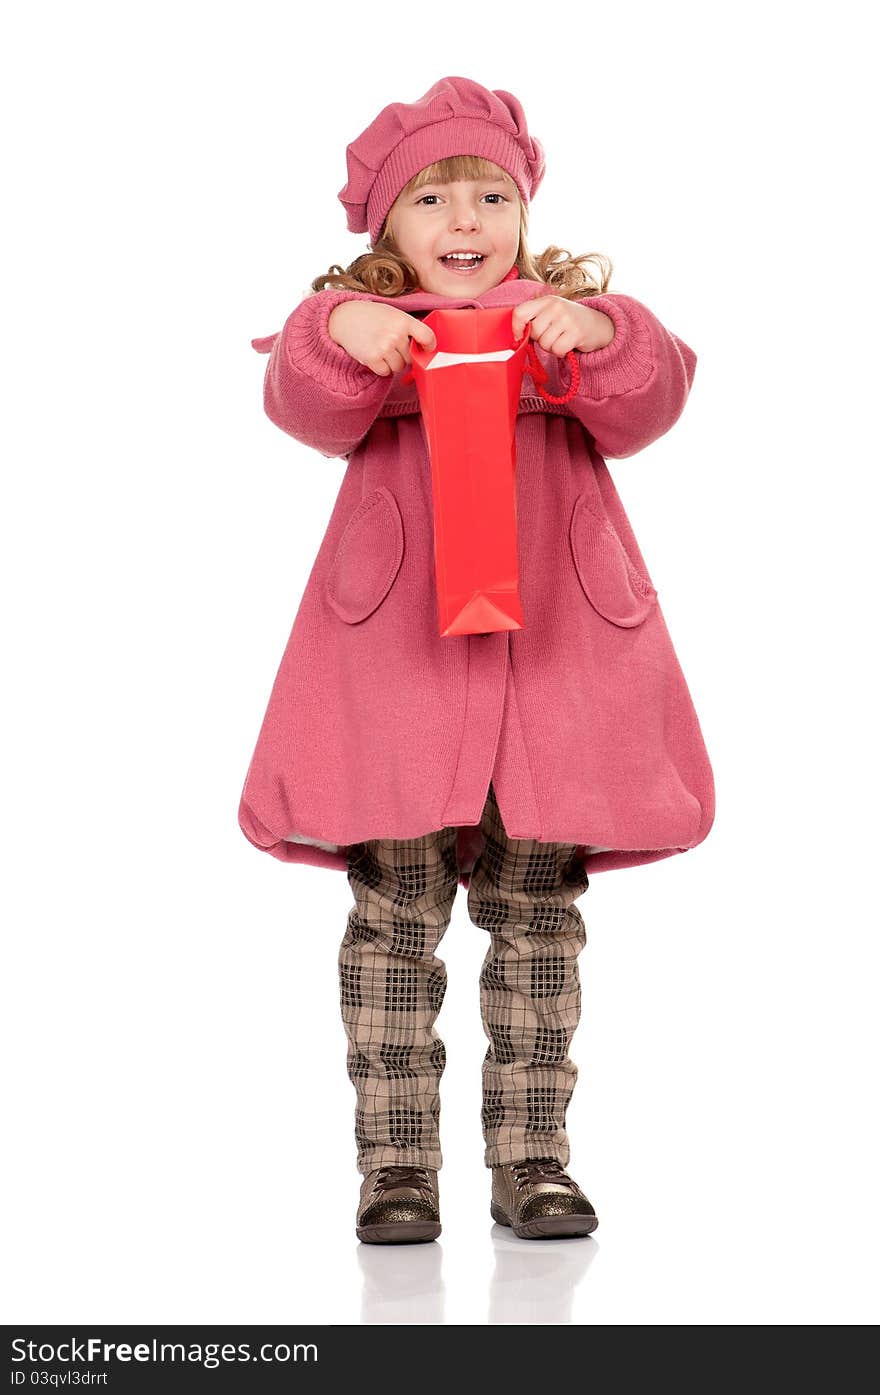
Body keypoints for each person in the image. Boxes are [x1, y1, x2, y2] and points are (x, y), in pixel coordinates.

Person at [238, 75, 715, 1244]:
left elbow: (650, 395)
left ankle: (532, 1162)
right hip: (399, 681)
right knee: (395, 919)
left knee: (538, 915)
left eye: (490, 195)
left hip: (553, 681)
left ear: (525, 210)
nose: (466, 222)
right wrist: (336, 329)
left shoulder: (562, 319)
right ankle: (396, 1168)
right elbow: (303, 398)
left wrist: (601, 334)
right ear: (386, 229)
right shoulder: (366, 329)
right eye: (434, 199)